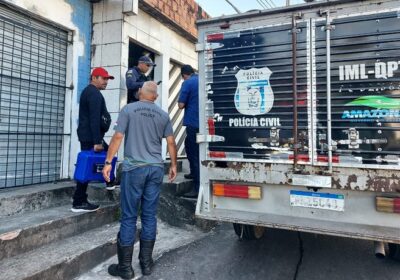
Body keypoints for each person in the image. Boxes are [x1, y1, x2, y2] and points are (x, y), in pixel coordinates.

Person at [102, 81, 177, 279]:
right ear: (156, 97)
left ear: (140, 93)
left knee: (128, 216)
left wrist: (108, 162)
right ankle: (146, 263)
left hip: (134, 169)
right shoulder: (163, 115)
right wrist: (175, 165)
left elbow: (118, 137)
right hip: (155, 169)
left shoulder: (129, 109)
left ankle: (125, 268)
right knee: (149, 216)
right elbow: (171, 142)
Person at [72, 67, 114, 212]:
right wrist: (97, 141)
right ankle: (79, 201)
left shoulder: (89, 92)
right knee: (87, 166)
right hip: (91, 137)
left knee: (106, 155)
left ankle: (111, 181)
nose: (106, 82)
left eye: (107, 79)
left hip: (89, 135)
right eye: (103, 78)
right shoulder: (94, 94)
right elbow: (94, 119)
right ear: (94, 77)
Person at [178, 64, 199, 198]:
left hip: (193, 123)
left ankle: (197, 188)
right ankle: (193, 172)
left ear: (184, 74)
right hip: (205, 124)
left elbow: (180, 105)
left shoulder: (187, 82)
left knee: (195, 154)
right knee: (189, 146)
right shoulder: (202, 80)